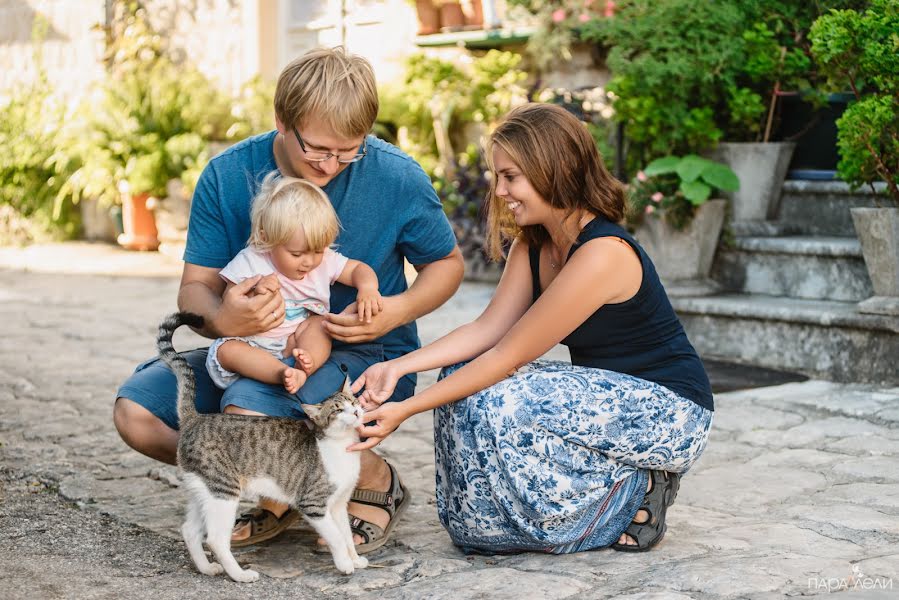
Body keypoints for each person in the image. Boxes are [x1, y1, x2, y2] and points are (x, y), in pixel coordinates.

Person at [113, 47, 464, 553]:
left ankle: (369, 479)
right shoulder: (228, 175)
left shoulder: (396, 176)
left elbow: (447, 264)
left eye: (350, 151)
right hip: (259, 355)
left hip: (366, 361)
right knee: (138, 416)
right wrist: (220, 317)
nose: (331, 165)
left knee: (256, 410)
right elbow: (195, 289)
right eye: (318, 149)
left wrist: (399, 309)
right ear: (282, 121)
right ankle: (287, 483)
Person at [348, 103, 714, 554]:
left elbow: (508, 356)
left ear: (553, 170)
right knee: (460, 390)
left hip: (668, 411)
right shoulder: (533, 244)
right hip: (598, 404)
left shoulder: (604, 253)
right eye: (497, 177)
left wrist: (408, 408)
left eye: (511, 176)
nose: (500, 191)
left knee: (503, 396)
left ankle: (633, 492)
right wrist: (399, 368)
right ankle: (505, 525)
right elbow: (488, 330)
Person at [207, 175, 383, 395]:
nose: (309, 262)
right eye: (297, 254)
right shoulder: (252, 260)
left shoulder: (325, 260)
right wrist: (256, 290)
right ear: (266, 238)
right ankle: (280, 373)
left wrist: (368, 288)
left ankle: (305, 366)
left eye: (317, 251)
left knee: (320, 325)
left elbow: (358, 269)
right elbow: (230, 300)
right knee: (227, 349)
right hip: (253, 343)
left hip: (294, 340)